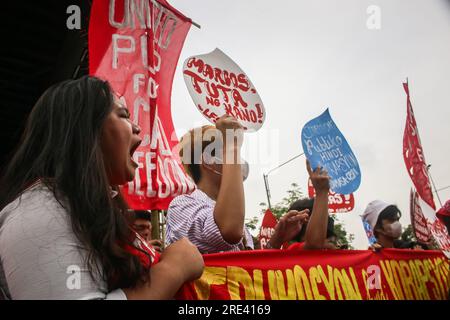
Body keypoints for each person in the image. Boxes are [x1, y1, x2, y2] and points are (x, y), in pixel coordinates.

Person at [0, 76, 203, 300]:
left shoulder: (82, 209)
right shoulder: (39, 211)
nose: (137, 129)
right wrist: (173, 270)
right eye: (124, 115)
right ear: (84, 128)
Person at [165, 116, 310, 253]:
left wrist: (276, 240)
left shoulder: (233, 214)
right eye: (228, 152)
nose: (236, 160)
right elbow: (228, 230)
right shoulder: (181, 206)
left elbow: (248, 271)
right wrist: (232, 146)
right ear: (209, 161)